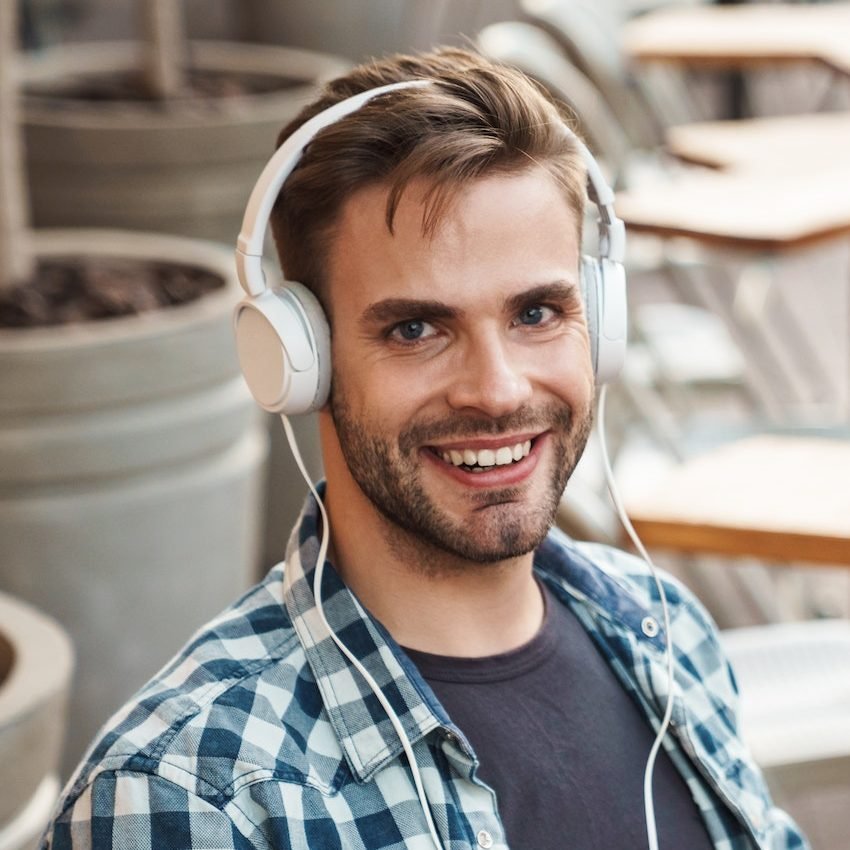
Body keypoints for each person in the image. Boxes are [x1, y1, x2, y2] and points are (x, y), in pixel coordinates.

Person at [42, 48, 807, 850]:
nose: (500, 389)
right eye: (416, 329)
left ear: (601, 323)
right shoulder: (192, 798)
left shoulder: (663, 628)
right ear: (302, 361)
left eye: (538, 313)